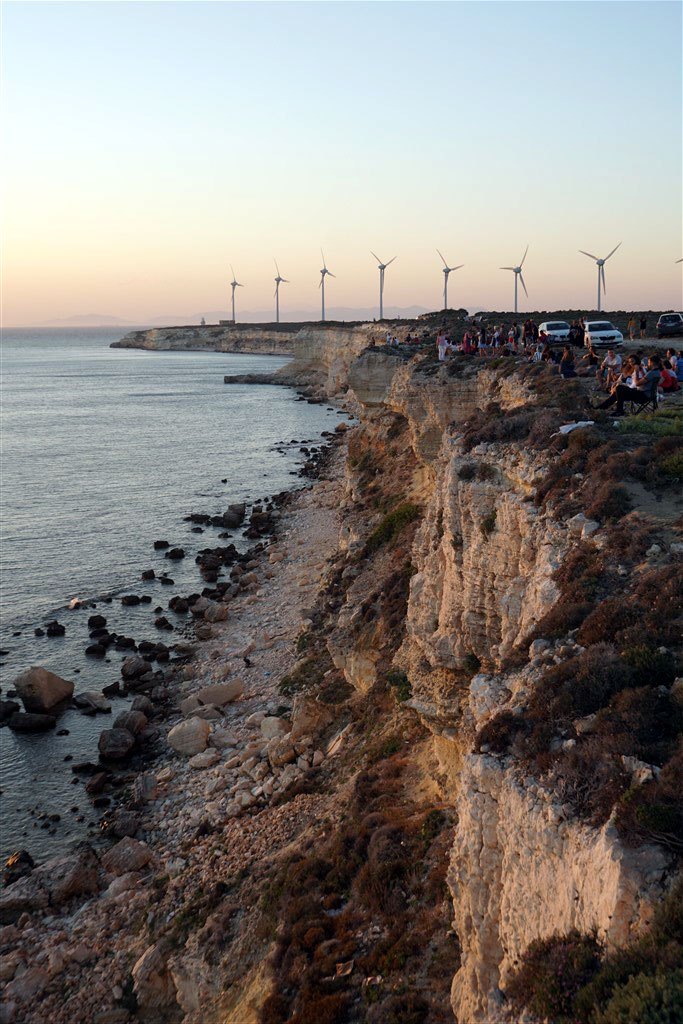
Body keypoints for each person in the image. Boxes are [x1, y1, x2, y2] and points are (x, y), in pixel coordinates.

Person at [594, 356, 661, 415]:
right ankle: (602, 407)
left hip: (643, 395)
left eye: (649, 362)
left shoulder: (651, 373)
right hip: (648, 394)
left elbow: (637, 383)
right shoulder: (657, 372)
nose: (648, 364)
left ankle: (619, 411)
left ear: (652, 363)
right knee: (618, 392)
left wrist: (637, 372)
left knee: (619, 388)